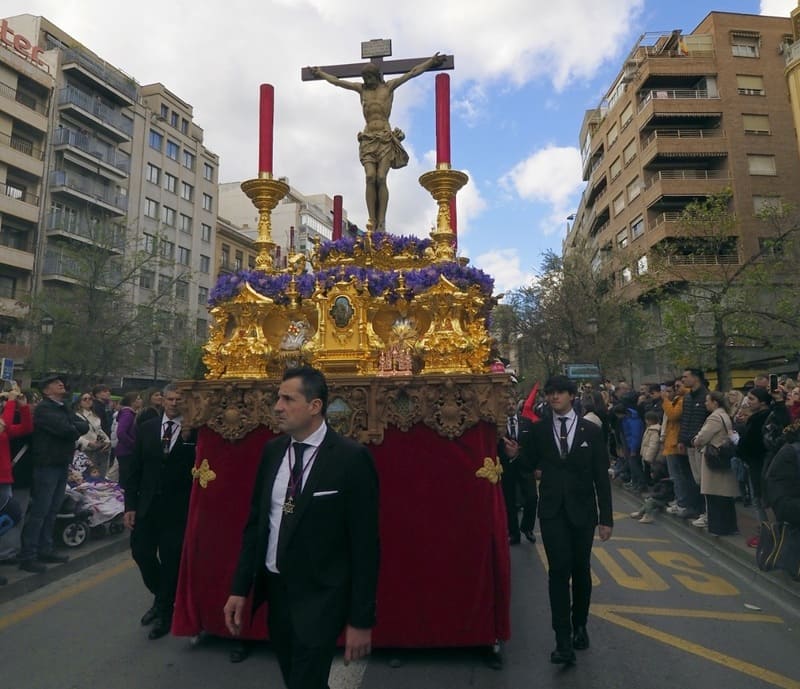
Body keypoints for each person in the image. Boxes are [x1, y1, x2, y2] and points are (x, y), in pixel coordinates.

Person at [224, 366, 379, 689]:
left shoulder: (351, 458)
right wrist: (240, 589)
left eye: (287, 399)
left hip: (321, 598)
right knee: (295, 677)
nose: (277, 406)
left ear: (314, 406)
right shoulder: (273, 452)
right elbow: (256, 524)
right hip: (277, 594)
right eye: (277, 398)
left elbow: (365, 545)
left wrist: (360, 620)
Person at [521, 375, 612, 665]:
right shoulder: (539, 429)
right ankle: (562, 639)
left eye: (559, 392)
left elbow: (601, 476)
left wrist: (606, 518)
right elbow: (528, 463)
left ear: (572, 396)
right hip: (552, 511)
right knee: (558, 570)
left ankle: (579, 624)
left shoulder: (591, 430)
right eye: (549, 393)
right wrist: (515, 456)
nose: (553, 397)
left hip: (583, 511)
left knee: (580, 569)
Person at [309, 53, 445, 231]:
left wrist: (431, 62)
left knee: (381, 178)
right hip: (368, 138)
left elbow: (412, 72)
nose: (367, 81)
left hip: (384, 138)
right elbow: (338, 82)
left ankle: (381, 221)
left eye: (370, 78)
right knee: (369, 177)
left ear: (377, 76)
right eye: (365, 78)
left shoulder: (388, 87)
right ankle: (372, 220)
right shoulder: (361, 89)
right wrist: (321, 73)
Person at [124, 383, 198, 640]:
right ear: (162, 401)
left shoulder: (194, 432)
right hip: (147, 506)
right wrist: (130, 506)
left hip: (177, 509)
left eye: (179, 399)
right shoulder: (147, 428)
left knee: (171, 560)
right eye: (170, 398)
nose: (174, 403)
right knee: (141, 552)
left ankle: (166, 612)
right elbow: (134, 470)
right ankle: (161, 595)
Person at [19, 375, 89, 573]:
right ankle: (29, 555)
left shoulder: (63, 407)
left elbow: (83, 426)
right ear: (46, 390)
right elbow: (67, 430)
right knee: (40, 511)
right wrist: (73, 428)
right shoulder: (44, 409)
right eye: (55, 383)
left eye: (61, 382)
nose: (61, 384)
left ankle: (45, 548)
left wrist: (73, 428)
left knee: (53, 509)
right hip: (46, 465)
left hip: (60, 464)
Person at [692, 391, 739, 536]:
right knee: (725, 495)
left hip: (713, 457)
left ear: (715, 402)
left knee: (714, 494)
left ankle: (718, 527)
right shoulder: (725, 415)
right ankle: (730, 526)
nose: (706, 403)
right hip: (723, 456)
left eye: (708, 401)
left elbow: (703, 436)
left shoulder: (714, 417)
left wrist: (695, 441)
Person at [499, 401, 538, 545]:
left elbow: (534, 446)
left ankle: (527, 528)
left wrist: (537, 466)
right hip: (507, 468)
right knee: (509, 502)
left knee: (532, 498)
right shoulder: (499, 424)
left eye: (512, 403)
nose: (510, 406)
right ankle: (513, 533)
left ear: (516, 405)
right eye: (507, 404)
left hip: (525, 467)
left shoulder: (527, 423)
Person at [676, 368, 709, 520]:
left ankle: (703, 509)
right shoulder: (688, 397)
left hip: (700, 444)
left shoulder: (706, 396)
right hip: (688, 443)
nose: (683, 380)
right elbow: (685, 420)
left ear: (696, 378)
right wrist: (681, 440)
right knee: (693, 478)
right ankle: (694, 507)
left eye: (685, 376)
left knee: (702, 479)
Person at [75, 391, 112, 477]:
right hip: (85, 451)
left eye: (90, 399)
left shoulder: (95, 415)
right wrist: (88, 443)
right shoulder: (76, 416)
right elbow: (75, 435)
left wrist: (107, 441)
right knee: (86, 475)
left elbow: (100, 430)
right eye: (85, 399)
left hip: (99, 449)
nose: (88, 401)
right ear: (80, 402)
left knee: (100, 475)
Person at [113, 391, 141, 489]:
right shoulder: (127, 414)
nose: (140, 400)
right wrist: (133, 444)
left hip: (127, 451)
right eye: (138, 399)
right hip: (126, 451)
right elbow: (121, 432)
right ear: (132, 402)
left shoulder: (132, 414)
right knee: (125, 478)